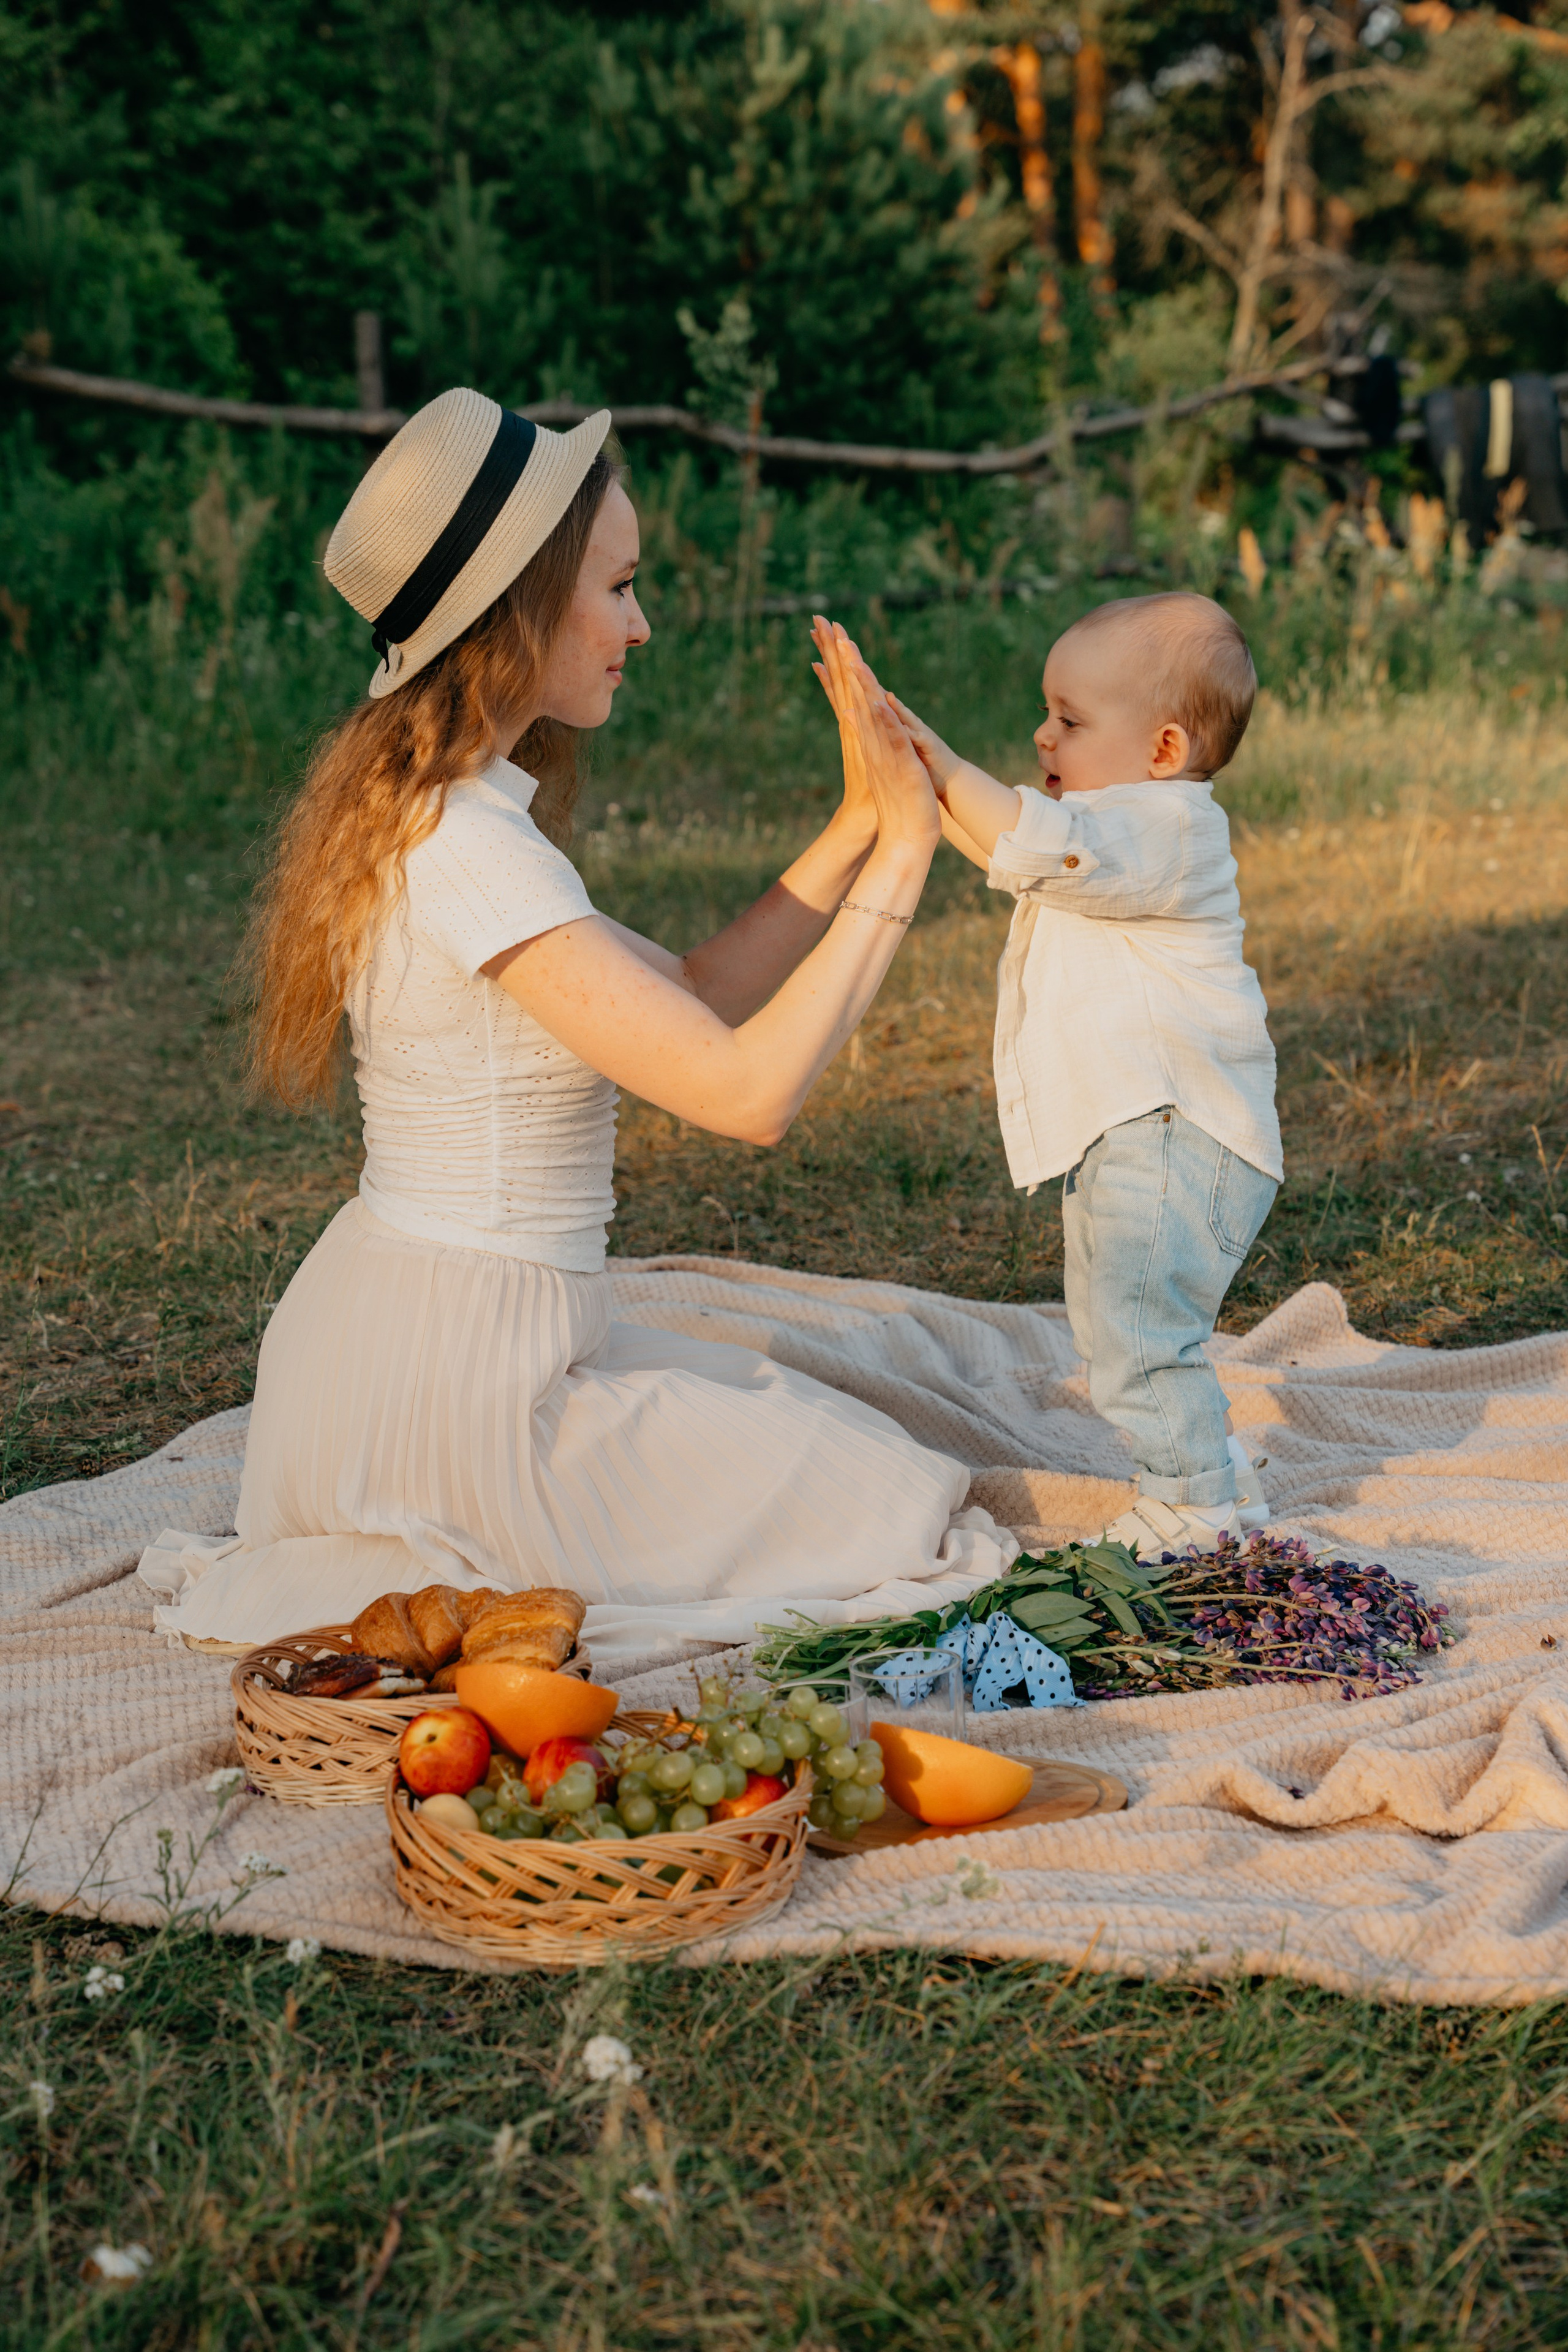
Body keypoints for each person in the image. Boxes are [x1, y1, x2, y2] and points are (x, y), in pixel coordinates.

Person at [138, 389, 1016, 1667]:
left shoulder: (449, 812)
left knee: (827, 1429)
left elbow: (696, 995)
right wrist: (908, 857)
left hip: (435, 1339)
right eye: (616, 587)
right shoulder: (468, 854)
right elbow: (744, 1093)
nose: (639, 624)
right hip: (461, 1394)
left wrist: (861, 823)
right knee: (896, 1508)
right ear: (519, 612)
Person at [820, 594, 1280, 1561]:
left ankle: (1192, 1509)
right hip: (1135, 1132)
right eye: (1049, 711)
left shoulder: (1165, 828)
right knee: (1125, 1323)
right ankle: (1217, 1474)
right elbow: (1009, 848)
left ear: (1162, 750)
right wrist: (905, 756)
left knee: (1136, 1336)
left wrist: (941, 761)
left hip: (1170, 1130)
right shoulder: (1109, 837)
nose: (1043, 732)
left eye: (1071, 720)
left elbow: (1032, 837)